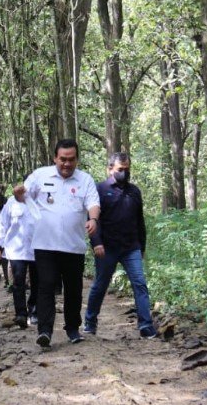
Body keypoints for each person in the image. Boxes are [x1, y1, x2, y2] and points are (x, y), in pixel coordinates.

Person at [14, 138, 100, 348]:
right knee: (45, 286)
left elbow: (93, 203)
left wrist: (93, 219)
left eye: (71, 159)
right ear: (55, 158)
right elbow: (23, 195)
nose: (67, 164)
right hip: (45, 245)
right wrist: (18, 195)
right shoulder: (40, 175)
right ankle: (44, 330)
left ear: (77, 160)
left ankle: (72, 328)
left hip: (73, 246)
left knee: (73, 288)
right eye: (63, 159)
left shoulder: (85, 180)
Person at [84, 152, 157, 338]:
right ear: (110, 169)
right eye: (120, 169)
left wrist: (142, 246)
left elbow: (139, 220)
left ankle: (145, 325)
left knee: (139, 284)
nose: (124, 172)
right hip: (106, 247)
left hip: (131, 247)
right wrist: (96, 242)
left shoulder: (134, 191)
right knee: (100, 284)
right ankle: (90, 323)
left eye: (126, 169)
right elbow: (93, 219)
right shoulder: (99, 189)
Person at [0, 194, 38, 328]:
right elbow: (2, 224)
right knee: (18, 283)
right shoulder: (12, 202)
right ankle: (21, 314)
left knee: (37, 282)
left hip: (37, 250)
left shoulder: (42, 200)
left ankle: (34, 310)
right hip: (16, 250)